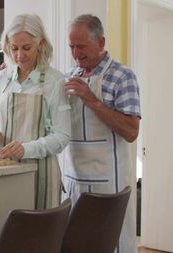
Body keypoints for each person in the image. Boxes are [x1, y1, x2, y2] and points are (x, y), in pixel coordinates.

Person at [61, 14, 141, 253]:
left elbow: (131, 131)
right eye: (72, 46)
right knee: (76, 243)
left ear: (101, 42)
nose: (76, 53)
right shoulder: (68, 77)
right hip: (73, 179)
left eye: (82, 46)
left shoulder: (123, 77)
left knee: (109, 243)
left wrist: (91, 100)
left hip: (108, 184)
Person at [0, 14, 71, 210]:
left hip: (41, 175)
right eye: (14, 48)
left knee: (37, 237)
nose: (19, 55)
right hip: (2, 172)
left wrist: (26, 149)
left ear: (40, 43)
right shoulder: (2, 78)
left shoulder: (54, 81)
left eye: (26, 48)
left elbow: (62, 136)